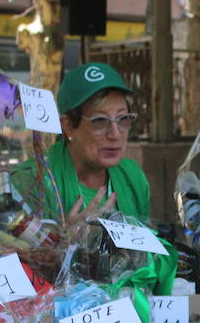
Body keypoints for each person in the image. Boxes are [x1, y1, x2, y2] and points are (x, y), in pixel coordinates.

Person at [45, 62, 150, 221]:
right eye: (100, 121)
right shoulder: (37, 182)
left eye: (123, 119)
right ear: (69, 127)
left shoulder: (133, 177)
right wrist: (63, 240)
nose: (115, 134)